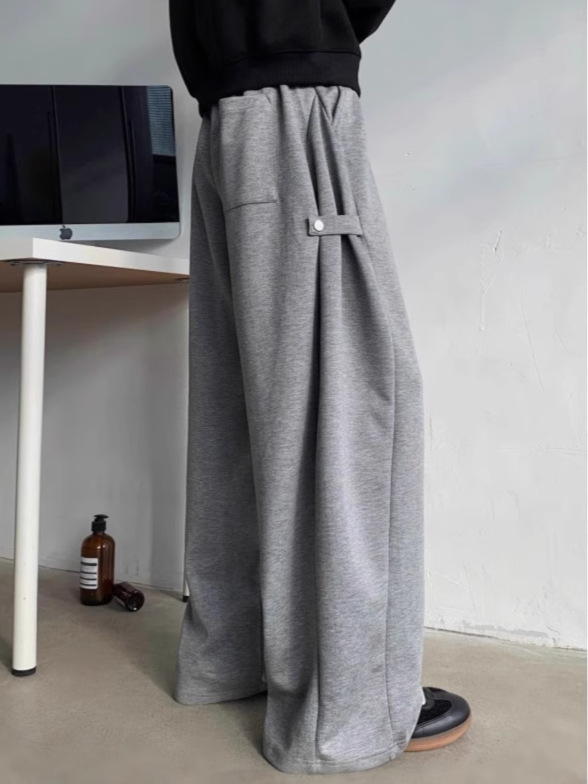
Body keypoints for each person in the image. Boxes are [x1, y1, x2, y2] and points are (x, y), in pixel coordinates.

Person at [168, 0, 471, 775]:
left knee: (243, 412)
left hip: (229, 120)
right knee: (351, 403)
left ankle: (231, 658)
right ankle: (349, 705)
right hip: (296, 114)